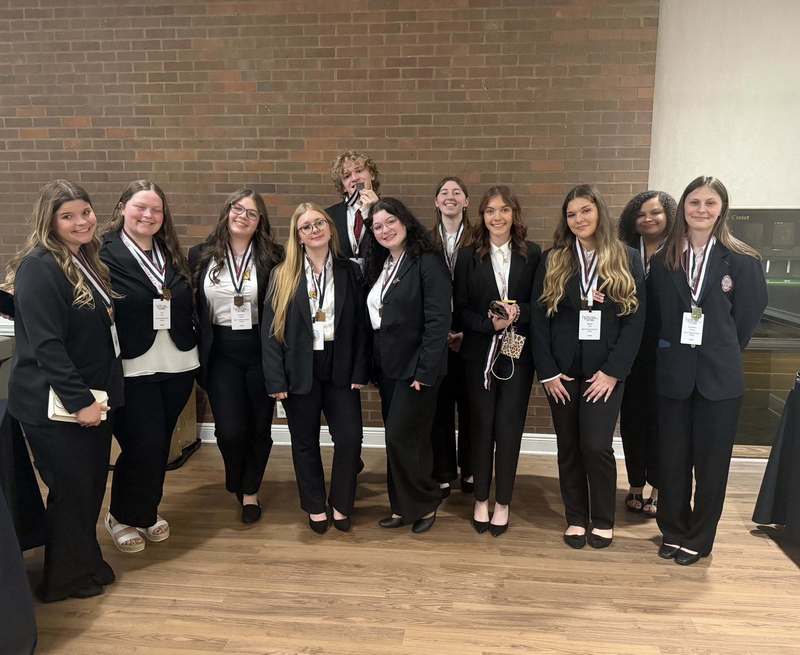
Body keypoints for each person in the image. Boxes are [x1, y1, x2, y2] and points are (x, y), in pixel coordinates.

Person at [4, 179, 123, 601]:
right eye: (68, 216)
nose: (81, 221)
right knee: (72, 491)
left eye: (85, 212)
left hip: (90, 397)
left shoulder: (84, 258)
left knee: (88, 488)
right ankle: (62, 581)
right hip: (59, 405)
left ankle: (84, 563)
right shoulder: (41, 266)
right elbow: (47, 346)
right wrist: (81, 402)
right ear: (49, 221)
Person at [648, 176, 766, 565]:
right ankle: (673, 530)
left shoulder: (743, 261)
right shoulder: (665, 260)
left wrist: (719, 350)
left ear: (722, 210)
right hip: (674, 377)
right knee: (672, 461)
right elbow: (657, 318)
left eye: (710, 203)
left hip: (719, 378)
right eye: (694, 202)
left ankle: (699, 538)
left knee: (711, 465)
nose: (701, 209)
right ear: (683, 207)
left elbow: (745, 321)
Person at [531, 184, 645, 549]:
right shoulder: (553, 259)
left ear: (599, 213)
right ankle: (576, 518)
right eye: (571, 214)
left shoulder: (626, 257)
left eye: (585, 210)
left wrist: (614, 372)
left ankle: (602, 518)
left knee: (595, 445)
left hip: (604, 374)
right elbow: (538, 320)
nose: (579, 219)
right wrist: (547, 372)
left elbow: (635, 322)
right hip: (562, 374)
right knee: (568, 446)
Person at [100, 180, 199, 553]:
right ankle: (120, 515)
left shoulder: (170, 252)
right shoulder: (103, 253)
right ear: (123, 207)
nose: (148, 215)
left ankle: (145, 511)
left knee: (159, 446)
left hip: (177, 362)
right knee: (143, 443)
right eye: (141, 207)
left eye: (156, 210)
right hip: (132, 364)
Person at [262, 203, 369, 533]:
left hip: (340, 365)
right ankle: (314, 505)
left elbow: (362, 327)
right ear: (298, 235)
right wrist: (275, 379)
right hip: (299, 367)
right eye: (306, 226)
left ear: (330, 228)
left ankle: (341, 503)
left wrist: (359, 372)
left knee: (350, 438)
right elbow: (270, 331)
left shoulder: (349, 271)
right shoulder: (283, 274)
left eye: (319, 223)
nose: (314, 230)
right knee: (304, 441)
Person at [188, 187, 284, 523]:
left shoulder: (274, 256)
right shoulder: (201, 254)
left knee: (259, 428)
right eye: (237, 209)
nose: (243, 217)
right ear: (227, 212)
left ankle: (250, 492)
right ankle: (236, 478)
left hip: (261, 350)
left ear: (260, 222)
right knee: (230, 431)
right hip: (221, 353)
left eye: (252, 213)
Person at [453, 186, 541, 536]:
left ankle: (502, 501)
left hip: (517, 355)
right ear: (482, 216)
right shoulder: (467, 257)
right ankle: (480, 499)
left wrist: (519, 312)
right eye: (490, 210)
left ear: (514, 214)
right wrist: (489, 324)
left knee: (508, 427)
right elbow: (459, 311)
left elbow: (541, 305)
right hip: (478, 356)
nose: (497, 217)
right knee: (481, 425)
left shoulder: (533, 254)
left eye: (504, 210)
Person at [364, 197, 451, 533]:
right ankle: (402, 506)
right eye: (377, 226)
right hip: (389, 367)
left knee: (405, 437)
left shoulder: (427, 262)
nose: (384, 230)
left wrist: (424, 371)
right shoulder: (384, 264)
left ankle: (426, 503)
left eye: (390, 221)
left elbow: (438, 322)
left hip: (417, 369)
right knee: (397, 438)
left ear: (406, 222)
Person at [617, 190, 677, 518]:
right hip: (631, 348)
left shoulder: (679, 252)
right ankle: (636, 482)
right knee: (633, 419)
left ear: (669, 215)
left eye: (655, 213)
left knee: (662, 421)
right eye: (641, 214)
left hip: (667, 351)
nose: (648, 219)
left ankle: (657, 486)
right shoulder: (625, 253)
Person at [429, 176, 472, 498]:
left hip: (472, 330)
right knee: (440, 406)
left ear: (466, 202)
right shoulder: (426, 241)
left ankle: (470, 469)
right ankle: (443, 470)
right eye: (444, 192)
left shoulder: (480, 238)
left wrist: (466, 331)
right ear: (436, 202)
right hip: (438, 331)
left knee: (471, 405)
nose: (450, 196)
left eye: (457, 192)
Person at [325, 150, 381, 265]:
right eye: (347, 176)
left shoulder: (392, 211)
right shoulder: (328, 216)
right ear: (343, 187)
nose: (354, 178)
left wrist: (378, 209)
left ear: (372, 175)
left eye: (359, 171)